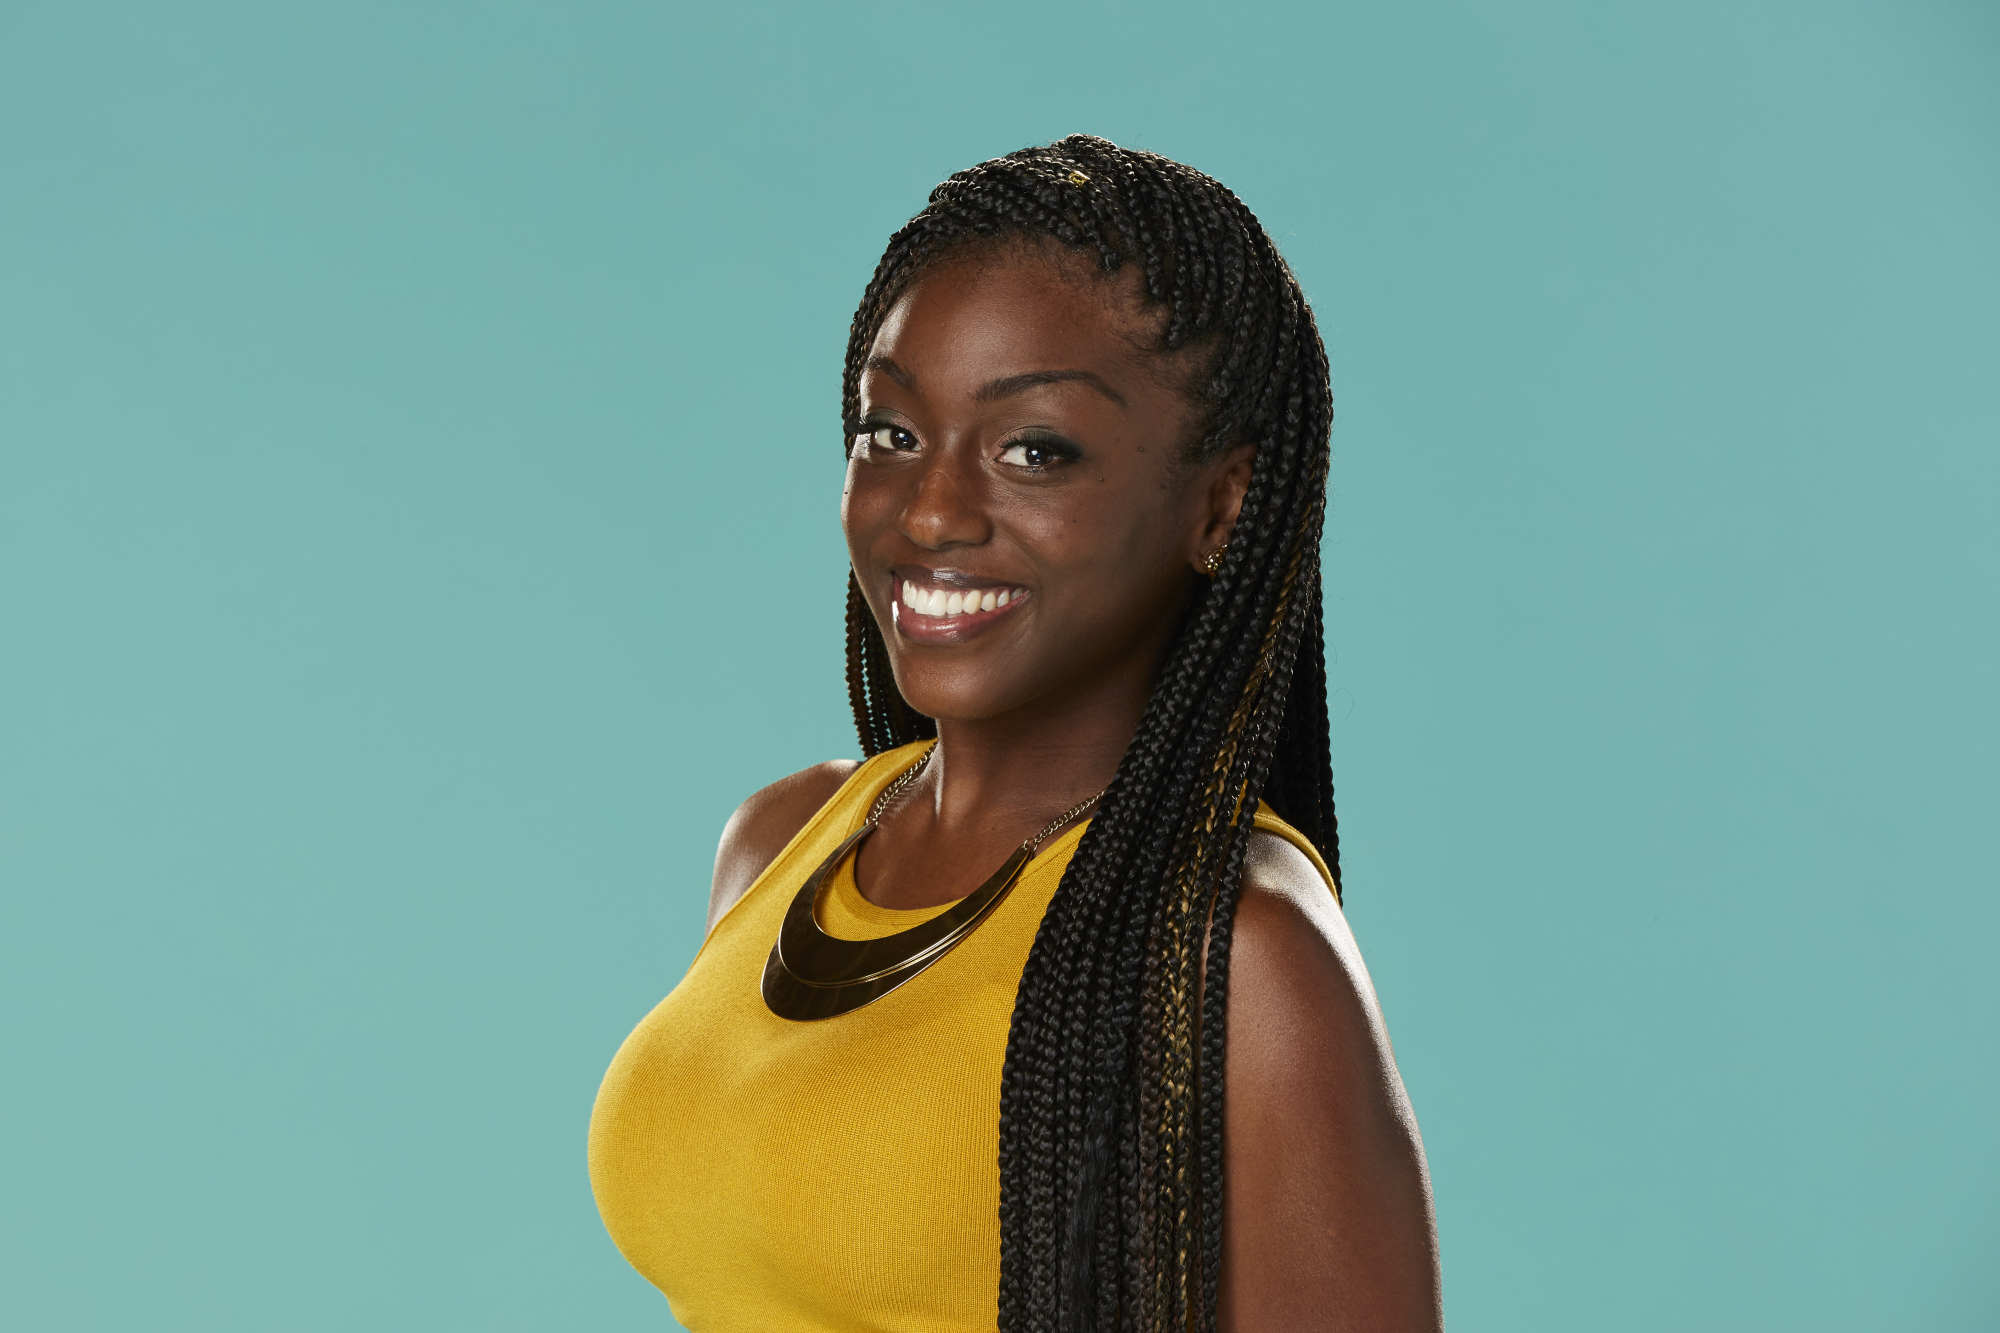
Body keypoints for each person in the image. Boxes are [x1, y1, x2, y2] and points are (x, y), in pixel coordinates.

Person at [589, 134, 1441, 1332]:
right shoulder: (782, 839)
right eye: (890, 433)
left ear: (1223, 505)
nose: (931, 511)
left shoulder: (1233, 955)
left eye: (1033, 449)